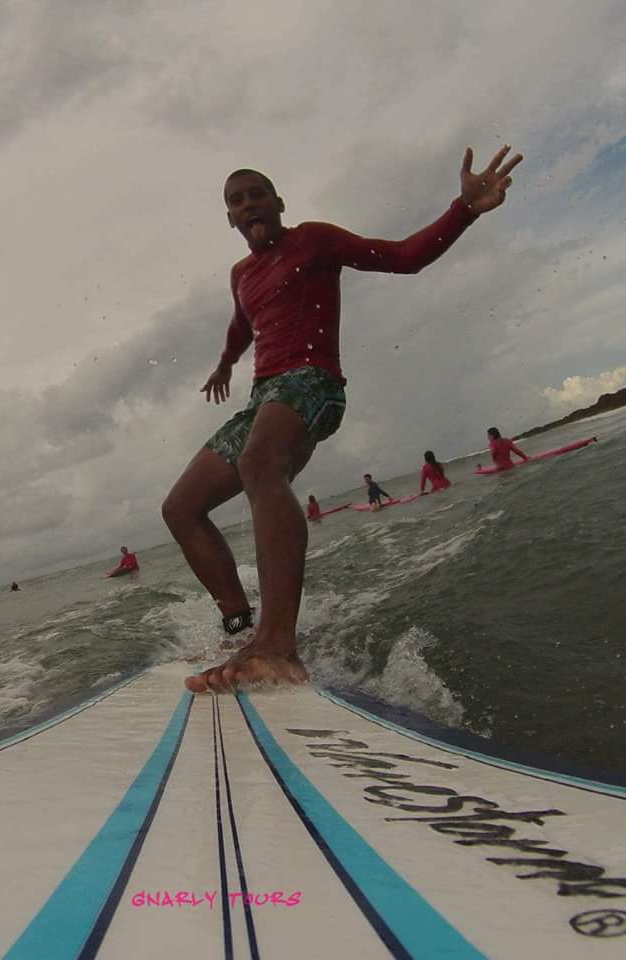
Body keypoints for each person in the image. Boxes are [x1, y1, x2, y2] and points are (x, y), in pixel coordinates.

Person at [162, 145, 522, 693]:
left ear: (278, 203)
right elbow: (243, 324)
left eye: (257, 194)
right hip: (263, 396)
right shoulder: (240, 274)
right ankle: (239, 626)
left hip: (314, 383)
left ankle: (277, 647)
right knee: (181, 507)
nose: (249, 204)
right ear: (230, 217)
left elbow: (404, 256)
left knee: (262, 462)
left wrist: (464, 208)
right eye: (237, 200)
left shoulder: (313, 238)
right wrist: (224, 364)